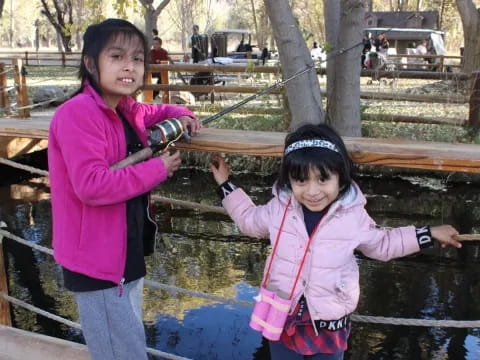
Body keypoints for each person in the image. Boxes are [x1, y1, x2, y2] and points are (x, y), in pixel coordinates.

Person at [209, 123, 461, 360]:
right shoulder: (279, 208)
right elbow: (248, 220)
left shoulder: (352, 216)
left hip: (329, 321)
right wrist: (225, 185)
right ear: (289, 180)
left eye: (322, 179)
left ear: (340, 177)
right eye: (300, 180)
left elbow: (383, 244)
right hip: (283, 314)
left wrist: (427, 234)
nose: (312, 191)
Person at [48, 18, 201, 360]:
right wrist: (157, 168)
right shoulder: (78, 114)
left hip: (124, 251)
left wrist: (183, 113)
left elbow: (156, 110)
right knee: (122, 352)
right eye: (116, 56)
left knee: (128, 340)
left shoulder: (123, 108)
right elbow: (91, 186)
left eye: (136, 58)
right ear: (91, 63)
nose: (129, 66)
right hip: (96, 261)